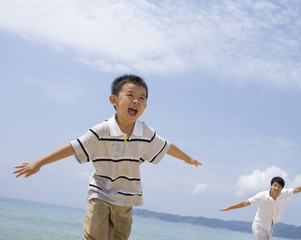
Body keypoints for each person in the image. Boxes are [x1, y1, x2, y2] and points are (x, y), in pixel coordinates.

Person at [13, 74, 202, 240]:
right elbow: (73, 146)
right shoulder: (101, 130)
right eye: (130, 95)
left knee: (119, 237)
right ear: (114, 100)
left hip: (127, 196)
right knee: (95, 236)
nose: (136, 101)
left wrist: (188, 159)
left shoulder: (145, 132)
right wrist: (39, 163)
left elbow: (167, 146)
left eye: (141, 98)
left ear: (145, 106)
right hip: (100, 192)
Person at [219, 177, 301, 240]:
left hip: (270, 227)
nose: (276, 188)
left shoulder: (284, 194)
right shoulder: (262, 196)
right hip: (259, 225)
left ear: (282, 188)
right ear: (271, 185)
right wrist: (229, 208)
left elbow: (296, 189)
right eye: (275, 185)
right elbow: (246, 202)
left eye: (279, 186)